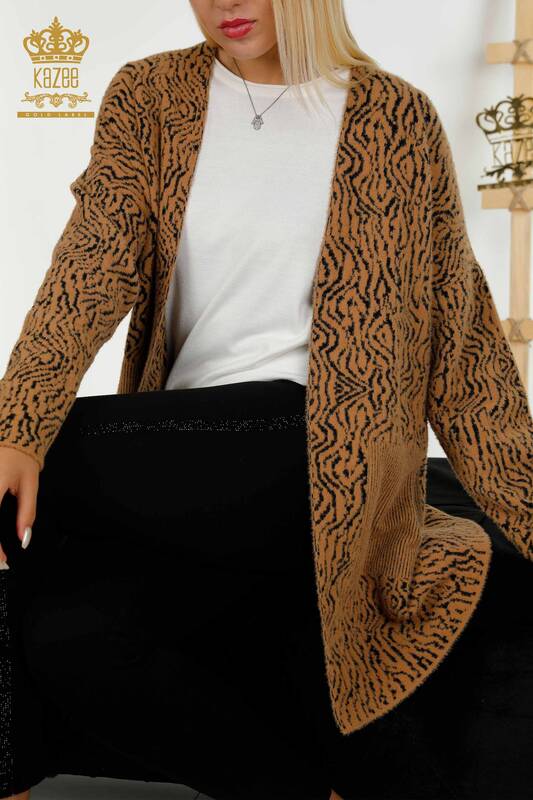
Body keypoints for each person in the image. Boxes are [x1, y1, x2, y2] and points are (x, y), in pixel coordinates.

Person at [1, 2, 532, 800]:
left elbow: (463, 350)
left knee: (54, 460)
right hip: (177, 476)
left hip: (320, 448)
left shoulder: (395, 119)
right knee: (63, 635)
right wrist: (17, 433)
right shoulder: (148, 97)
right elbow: (89, 270)